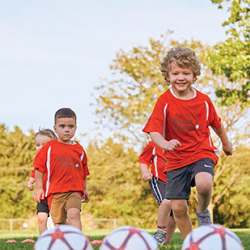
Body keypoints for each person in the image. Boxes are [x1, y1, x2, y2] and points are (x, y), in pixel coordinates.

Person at [143, 46, 233, 239]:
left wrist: (226, 144)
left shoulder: (204, 101)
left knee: (204, 184)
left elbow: (216, 124)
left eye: (186, 73)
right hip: (175, 159)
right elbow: (153, 131)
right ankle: (191, 241)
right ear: (167, 76)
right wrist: (165, 144)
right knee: (177, 207)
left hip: (201, 151)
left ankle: (202, 212)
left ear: (195, 75)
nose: (181, 77)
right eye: (175, 73)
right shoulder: (164, 101)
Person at [32, 108, 90, 231]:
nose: (67, 129)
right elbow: (39, 169)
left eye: (71, 126)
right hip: (54, 193)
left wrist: (84, 189)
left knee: (74, 214)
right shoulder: (48, 147)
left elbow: (83, 172)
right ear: (55, 128)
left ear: (75, 128)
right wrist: (39, 188)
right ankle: (62, 243)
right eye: (62, 126)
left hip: (74, 191)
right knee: (59, 223)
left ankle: (78, 242)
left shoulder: (79, 149)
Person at [139, 141, 177, 245]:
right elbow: (143, 160)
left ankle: (164, 243)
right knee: (167, 201)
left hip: (175, 182)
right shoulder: (154, 144)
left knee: (174, 214)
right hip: (159, 180)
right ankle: (160, 231)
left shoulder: (182, 141)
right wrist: (145, 172)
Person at [27, 128, 57, 235]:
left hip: (56, 196)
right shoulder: (37, 160)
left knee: (59, 221)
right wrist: (30, 182)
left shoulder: (57, 159)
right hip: (42, 195)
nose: (40, 147)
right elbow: (35, 171)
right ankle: (43, 241)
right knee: (41, 218)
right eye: (38, 145)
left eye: (44, 144)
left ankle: (61, 239)